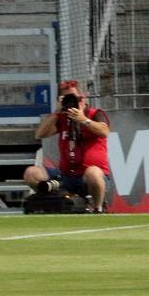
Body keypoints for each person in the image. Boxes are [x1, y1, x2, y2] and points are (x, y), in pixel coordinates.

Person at [23, 79, 111, 212]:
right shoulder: (63, 118)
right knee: (31, 173)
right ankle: (56, 200)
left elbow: (104, 131)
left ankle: (98, 207)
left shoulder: (94, 114)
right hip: (66, 176)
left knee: (93, 173)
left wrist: (84, 120)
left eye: (74, 97)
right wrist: (57, 112)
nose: (72, 102)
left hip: (88, 178)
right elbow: (40, 134)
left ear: (83, 97)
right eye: (67, 98)